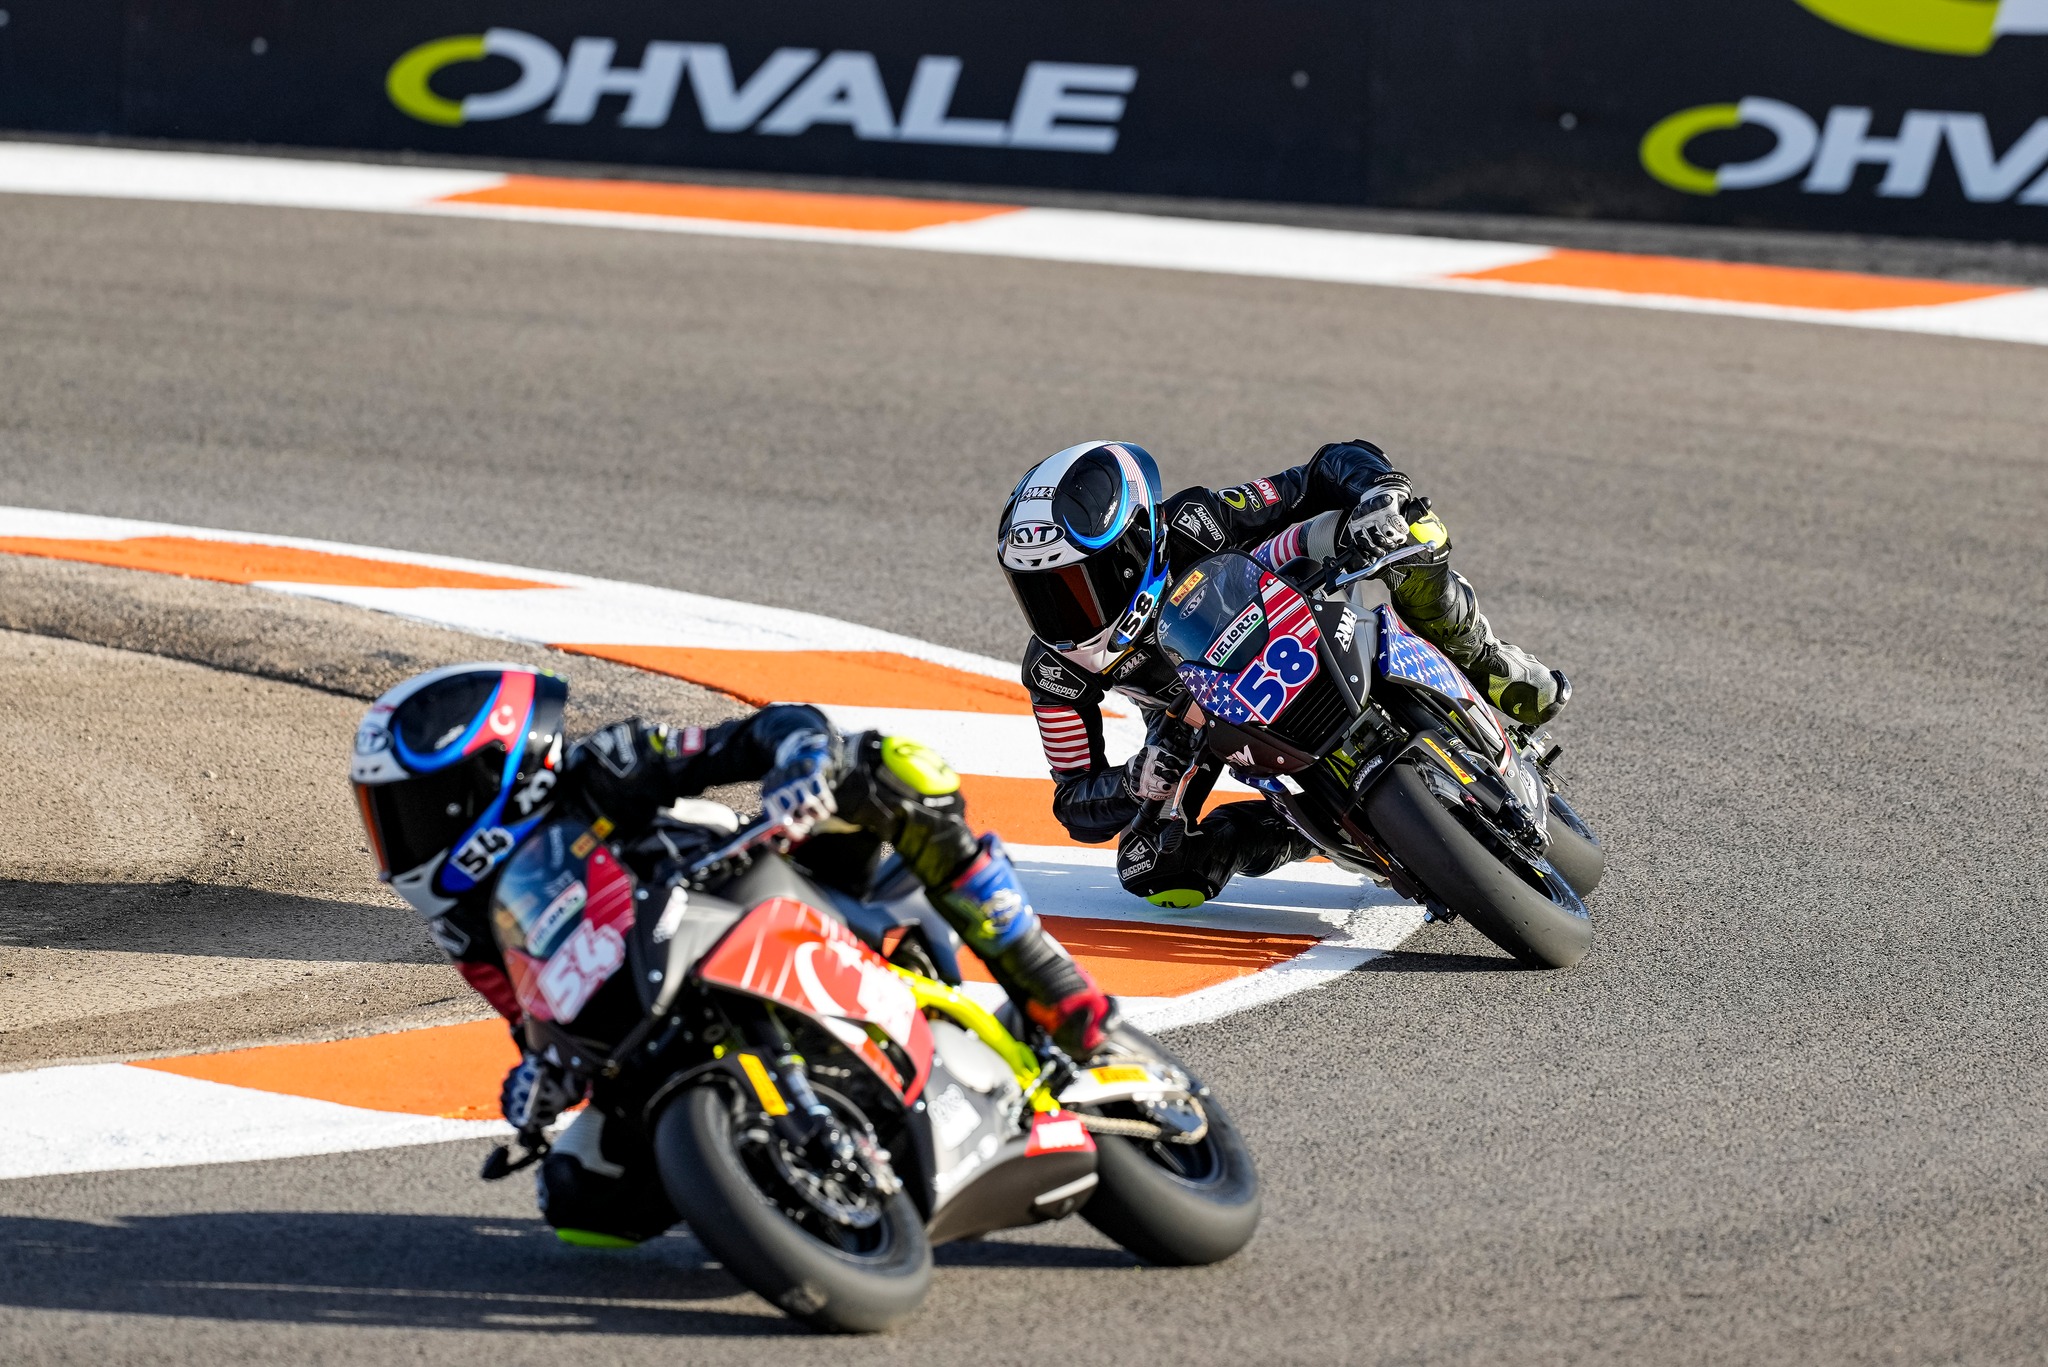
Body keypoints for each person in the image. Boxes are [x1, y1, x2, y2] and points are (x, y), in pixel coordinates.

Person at [350, 662, 1112, 1243]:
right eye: (384, 813)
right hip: (651, 1016)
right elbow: (534, 1018)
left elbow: (760, 732)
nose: (400, 837)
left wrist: (800, 763)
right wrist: (538, 1077)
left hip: (758, 891)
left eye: (409, 808)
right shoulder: (467, 923)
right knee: (579, 1197)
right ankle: (764, 1189)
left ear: (490, 773)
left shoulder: (602, 766)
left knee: (892, 766)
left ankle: (1050, 983)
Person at [998, 438, 1567, 910]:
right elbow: (1074, 801)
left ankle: (1488, 664)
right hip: (1194, 714)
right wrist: (1134, 780)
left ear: (1132, 543)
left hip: (1292, 603)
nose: (1058, 612)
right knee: (1151, 865)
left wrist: (1379, 493)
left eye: (1074, 584)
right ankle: (1317, 830)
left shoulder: (1195, 522)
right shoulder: (1054, 669)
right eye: (1037, 592)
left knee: (1415, 531)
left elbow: (1320, 471)